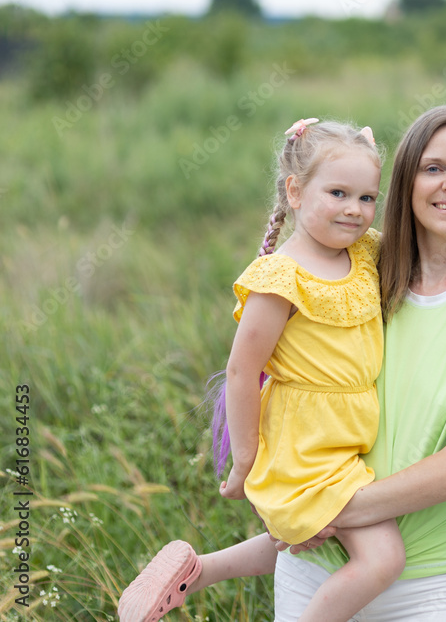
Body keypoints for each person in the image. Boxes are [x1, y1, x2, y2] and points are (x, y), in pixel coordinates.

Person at [118, 118, 405, 622]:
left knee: (302, 536)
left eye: (366, 198)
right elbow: (241, 370)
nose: (354, 210)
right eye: (338, 192)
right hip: (305, 441)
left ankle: (196, 570)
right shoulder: (281, 277)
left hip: (341, 438)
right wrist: (246, 460)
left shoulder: (362, 253)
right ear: (295, 191)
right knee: (382, 558)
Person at [269, 104, 446, 621]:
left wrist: (328, 509)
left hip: (434, 584)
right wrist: (280, 494)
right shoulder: (352, 271)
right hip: (316, 569)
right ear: (405, 180)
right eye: (433, 168)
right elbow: (283, 384)